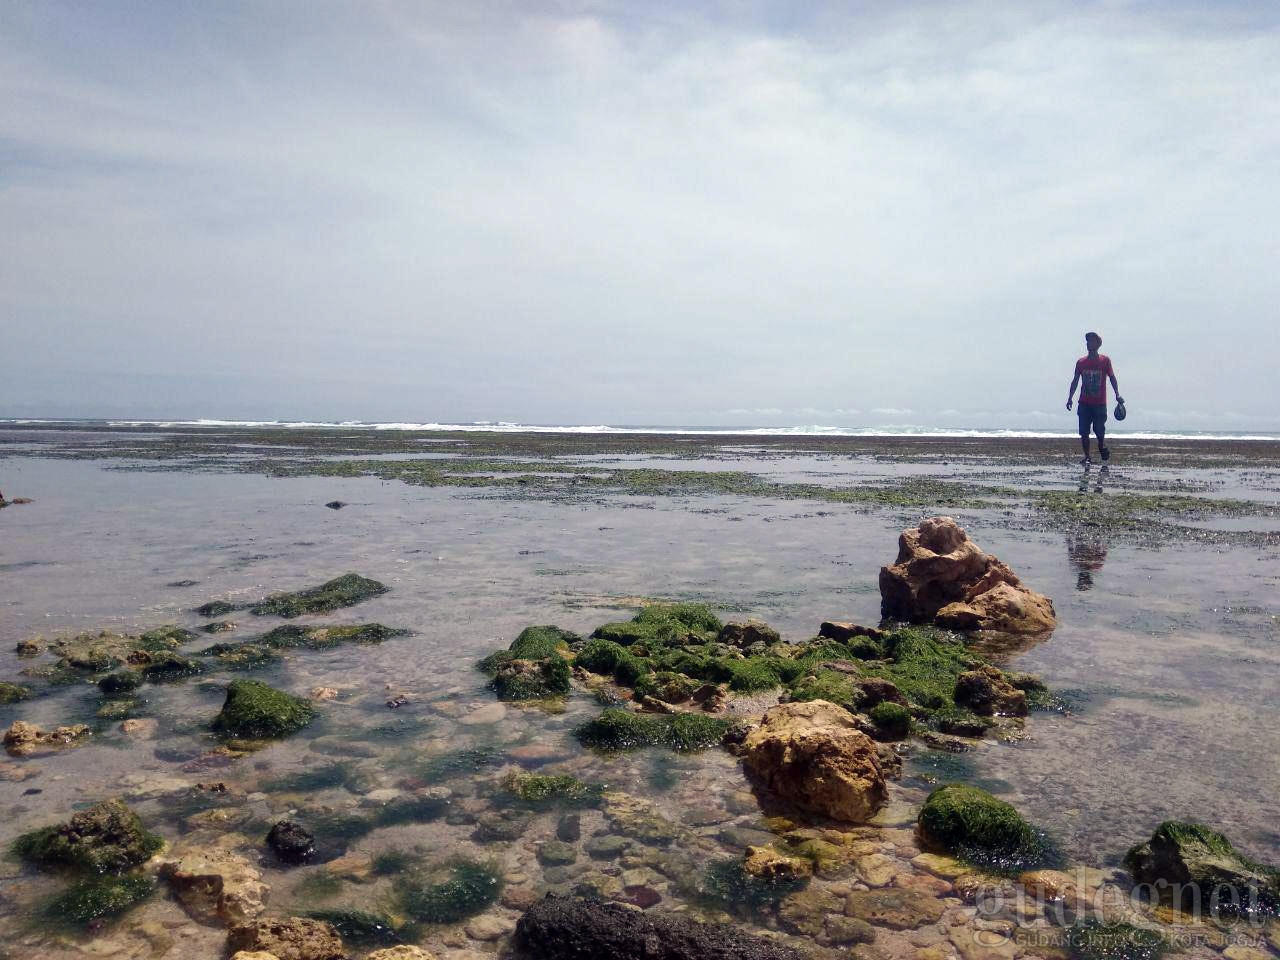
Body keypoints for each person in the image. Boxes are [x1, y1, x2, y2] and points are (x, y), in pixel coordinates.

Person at [1066, 332, 1123, 467]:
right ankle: (1087, 457)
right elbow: (1075, 380)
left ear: (1098, 344)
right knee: (1084, 432)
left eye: (1091, 341)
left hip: (1099, 404)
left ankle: (1102, 446)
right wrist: (1070, 398)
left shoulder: (1105, 361)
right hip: (1084, 403)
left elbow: (1112, 378)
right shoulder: (1081, 362)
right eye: (1087, 341)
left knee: (1099, 429)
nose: (1088, 343)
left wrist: (1117, 394)